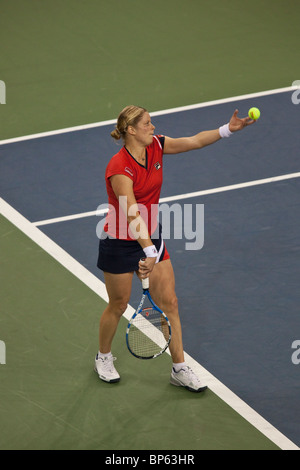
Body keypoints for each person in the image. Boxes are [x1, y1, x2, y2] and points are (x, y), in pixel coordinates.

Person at [94, 105, 255, 392]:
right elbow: (131, 213)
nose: (153, 127)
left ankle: (179, 368)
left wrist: (226, 130)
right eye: (147, 124)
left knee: (170, 303)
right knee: (118, 305)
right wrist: (147, 251)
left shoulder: (156, 146)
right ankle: (103, 356)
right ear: (131, 130)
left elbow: (193, 141)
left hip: (150, 238)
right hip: (119, 243)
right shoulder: (118, 168)